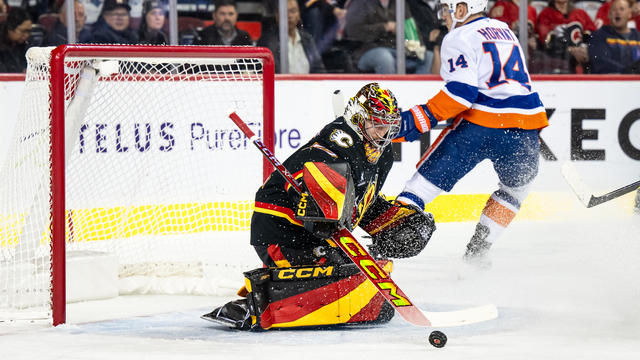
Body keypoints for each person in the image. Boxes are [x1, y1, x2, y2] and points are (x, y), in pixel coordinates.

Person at [202, 83, 436, 331]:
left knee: (359, 279)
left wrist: (394, 222)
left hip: (318, 239)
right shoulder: (337, 142)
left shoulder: (382, 153)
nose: (384, 132)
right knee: (337, 274)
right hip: (282, 232)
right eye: (378, 124)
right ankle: (255, 305)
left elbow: (363, 199)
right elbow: (313, 172)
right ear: (358, 118)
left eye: (389, 125)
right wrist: (321, 204)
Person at [393, 0, 548, 268]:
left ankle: (384, 251)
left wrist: (410, 121)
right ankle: (478, 251)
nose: (443, 17)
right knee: (515, 189)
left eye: (445, 9)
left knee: (418, 190)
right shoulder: (505, 29)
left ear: (461, 10)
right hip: (525, 130)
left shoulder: (459, 35)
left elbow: (460, 96)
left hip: (480, 128)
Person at [344, 0, 429, 74]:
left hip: (398, 50)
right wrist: (385, 27)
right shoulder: (361, 3)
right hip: (366, 51)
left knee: (428, 56)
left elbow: (411, 28)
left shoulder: (400, 3)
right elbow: (353, 31)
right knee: (384, 57)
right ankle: (389, 92)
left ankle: (415, 91)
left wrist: (418, 47)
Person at [257, 0, 326, 73]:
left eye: (293, 11)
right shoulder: (268, 42)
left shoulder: (307, 39)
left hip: (307, 84)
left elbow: (319, 70)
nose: (289, 16)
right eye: (285, 12)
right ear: (277, 15)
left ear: (299, 14)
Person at [535, 0, 596, 73]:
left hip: (582, 62)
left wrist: (587, 49)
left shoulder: (580, 13)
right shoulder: (546, 14)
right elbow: (546, 42)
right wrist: (570, 50)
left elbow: (594, 36)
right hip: (558, 63)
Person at [589, 0, 640, 73]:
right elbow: (601, 63)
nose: (618, 12)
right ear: (609, 14)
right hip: (610, 82)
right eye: (614, 10)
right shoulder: (599, 36)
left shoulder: (637, 36)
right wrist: (630, 71)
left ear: (629, 14)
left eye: (622, 9)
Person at [0, 7, 32, 73]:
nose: (26, 35)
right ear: (10, 29)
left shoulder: (26, 43)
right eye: (23, 31)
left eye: (29, 31)